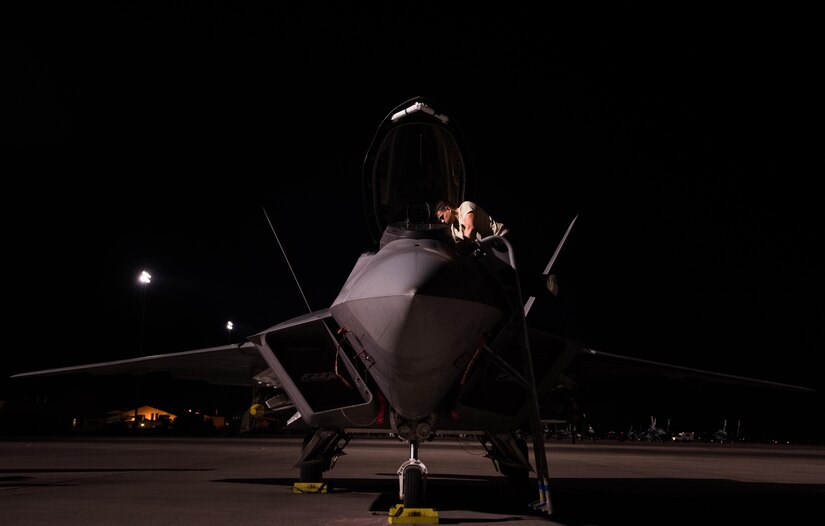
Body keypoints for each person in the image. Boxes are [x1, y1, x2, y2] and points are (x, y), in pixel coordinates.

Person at [434, 199, 508, 244]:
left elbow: (469, 227)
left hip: (501, 237)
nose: (442, 221)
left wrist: (465, 246)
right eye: (441, 220)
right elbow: (459, 248)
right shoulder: (454, 230)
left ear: (448, 209)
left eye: (442, 217)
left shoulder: (465, 206)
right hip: (489, 245)